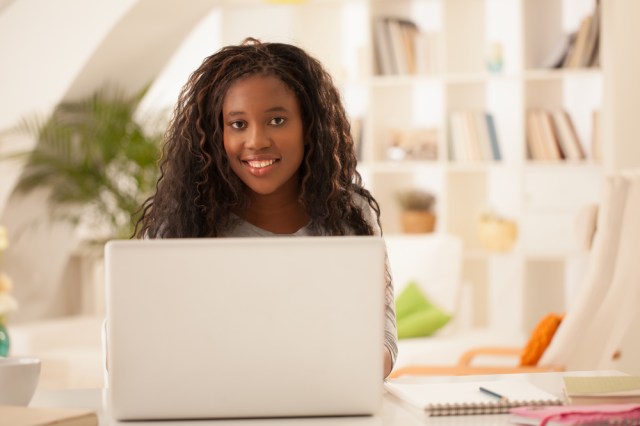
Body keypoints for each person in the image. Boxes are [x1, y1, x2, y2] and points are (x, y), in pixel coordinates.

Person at [134, 38, 398, 377]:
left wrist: (345, 371)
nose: (256, 141)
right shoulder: (181, 225)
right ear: (218, 134)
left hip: (323, 400)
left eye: (276, 120)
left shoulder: (351, 214)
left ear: (309, 127)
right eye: (238, 124)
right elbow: (130, 347)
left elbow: (382, 333)